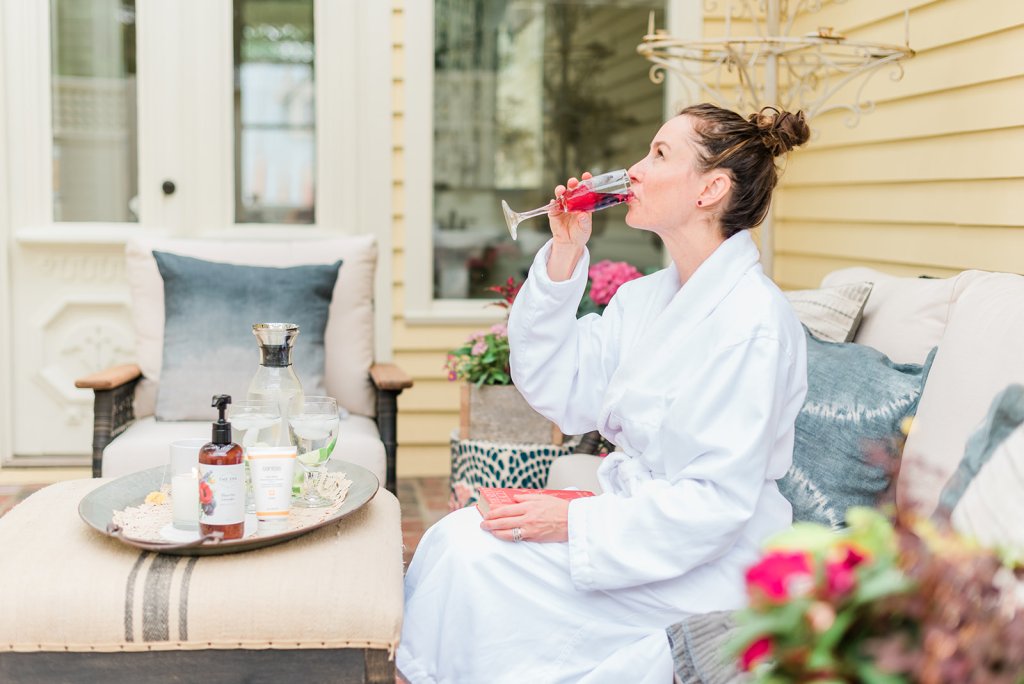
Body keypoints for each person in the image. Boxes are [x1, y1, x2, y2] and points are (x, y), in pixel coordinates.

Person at [397, 103, 811, 683]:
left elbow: (714, 504)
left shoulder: (752, 324)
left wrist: (575, 520)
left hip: (710, 561)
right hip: (642, 530)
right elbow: (558, 385)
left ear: (710, 189)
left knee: (476, 559)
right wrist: (565, 251)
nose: (633, 169)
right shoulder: (647, 300)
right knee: (455, 538)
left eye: (659, 155)